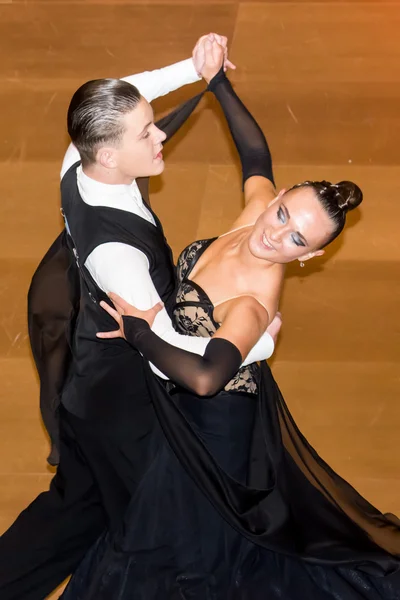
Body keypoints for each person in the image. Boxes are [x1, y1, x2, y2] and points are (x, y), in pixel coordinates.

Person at [65, 40, 400, 599]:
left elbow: (204, 378)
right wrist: (216, 80)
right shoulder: (255, 214)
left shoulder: (252, 304)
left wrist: (139, 330)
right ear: (277, 197)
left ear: (310, 257)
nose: (276, 233)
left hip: (215, 422)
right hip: (184, 400)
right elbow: (255, 155)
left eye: (297, 239)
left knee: (179, 551)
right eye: (284, 212)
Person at [0, 34, 278, 600]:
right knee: (150, 529)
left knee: (74, 508)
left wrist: (194, 67)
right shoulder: (117, 256)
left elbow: (134, 93)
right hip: (123, 406)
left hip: (89, 384)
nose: (161, 135)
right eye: (145, 133)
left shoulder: (78, 161)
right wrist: (257, 342)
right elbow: (171, 352)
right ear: (106, 153)